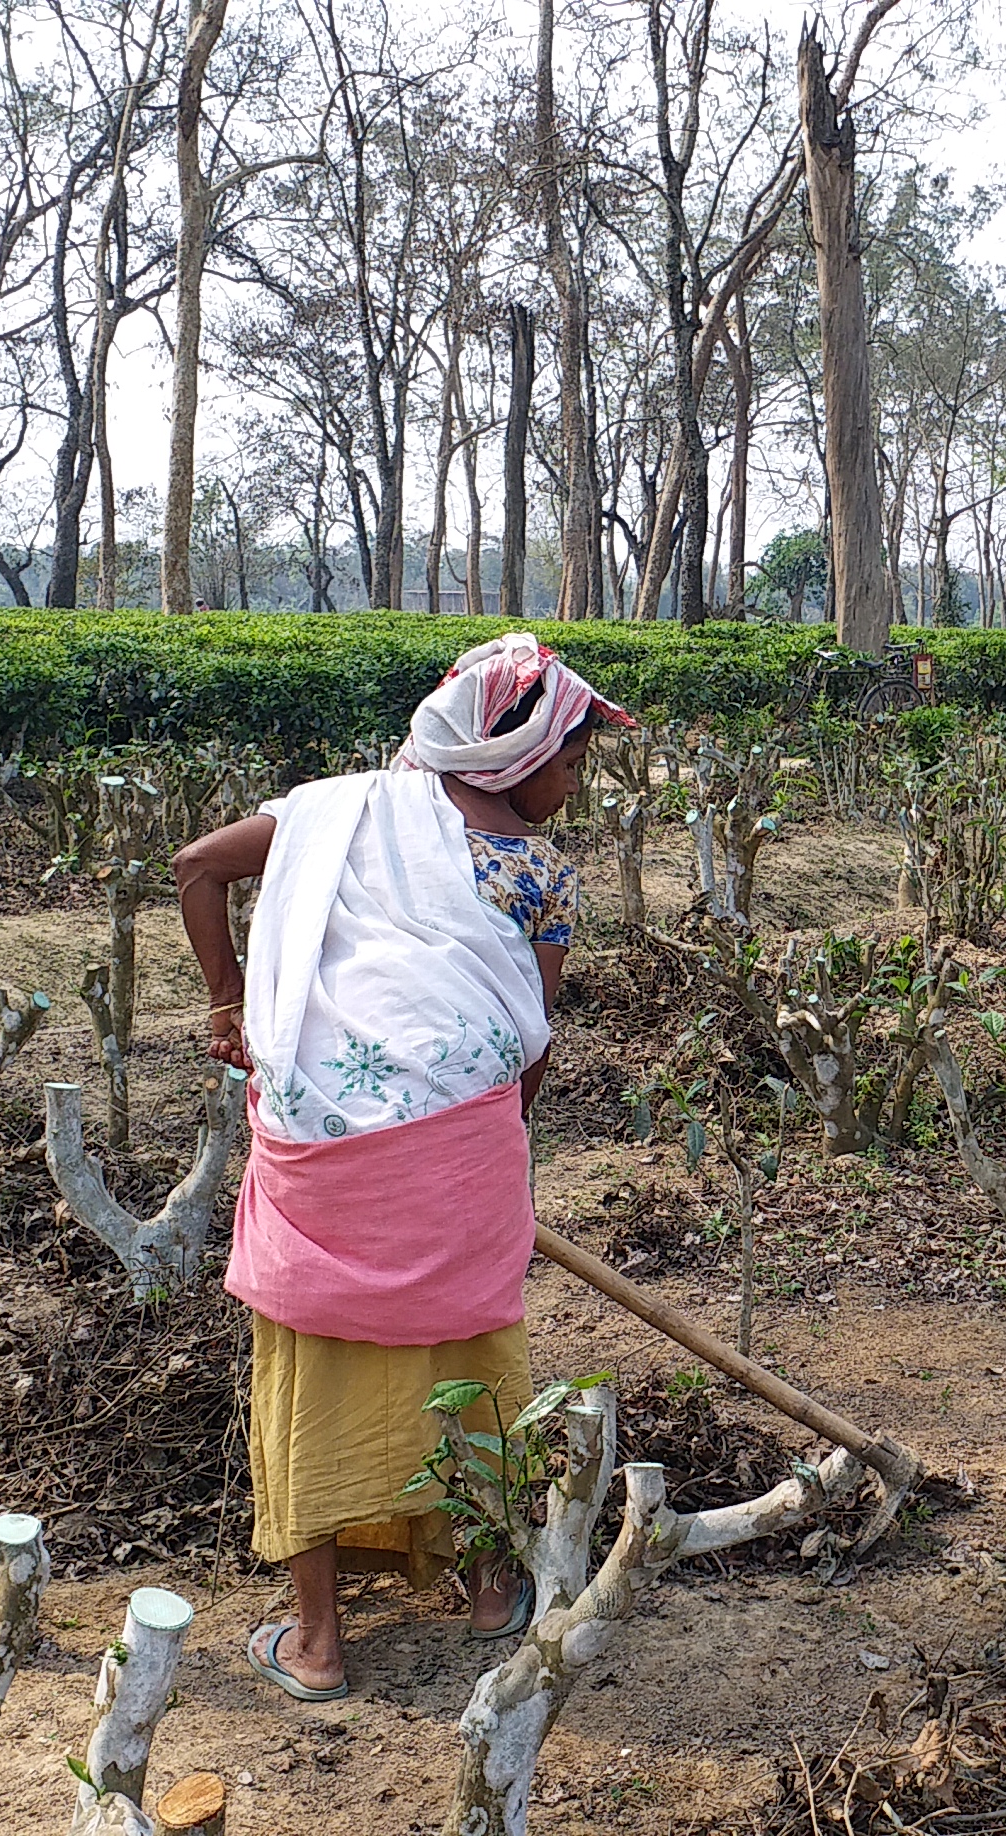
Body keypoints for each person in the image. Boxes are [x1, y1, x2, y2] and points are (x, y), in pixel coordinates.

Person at [172, 632, 629, 1703]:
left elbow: (196, 867)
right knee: (469, 1356)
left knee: (312, 1370)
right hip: (462, 1159)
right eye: (570, 760)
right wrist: (478, 1150)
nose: (575, 781)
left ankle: (319, 1644)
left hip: (320, 1160)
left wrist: (226, 1002)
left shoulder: (331, 812)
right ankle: (484, 1587)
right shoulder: (541, 877)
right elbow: (526, 1038)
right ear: (514, 761)